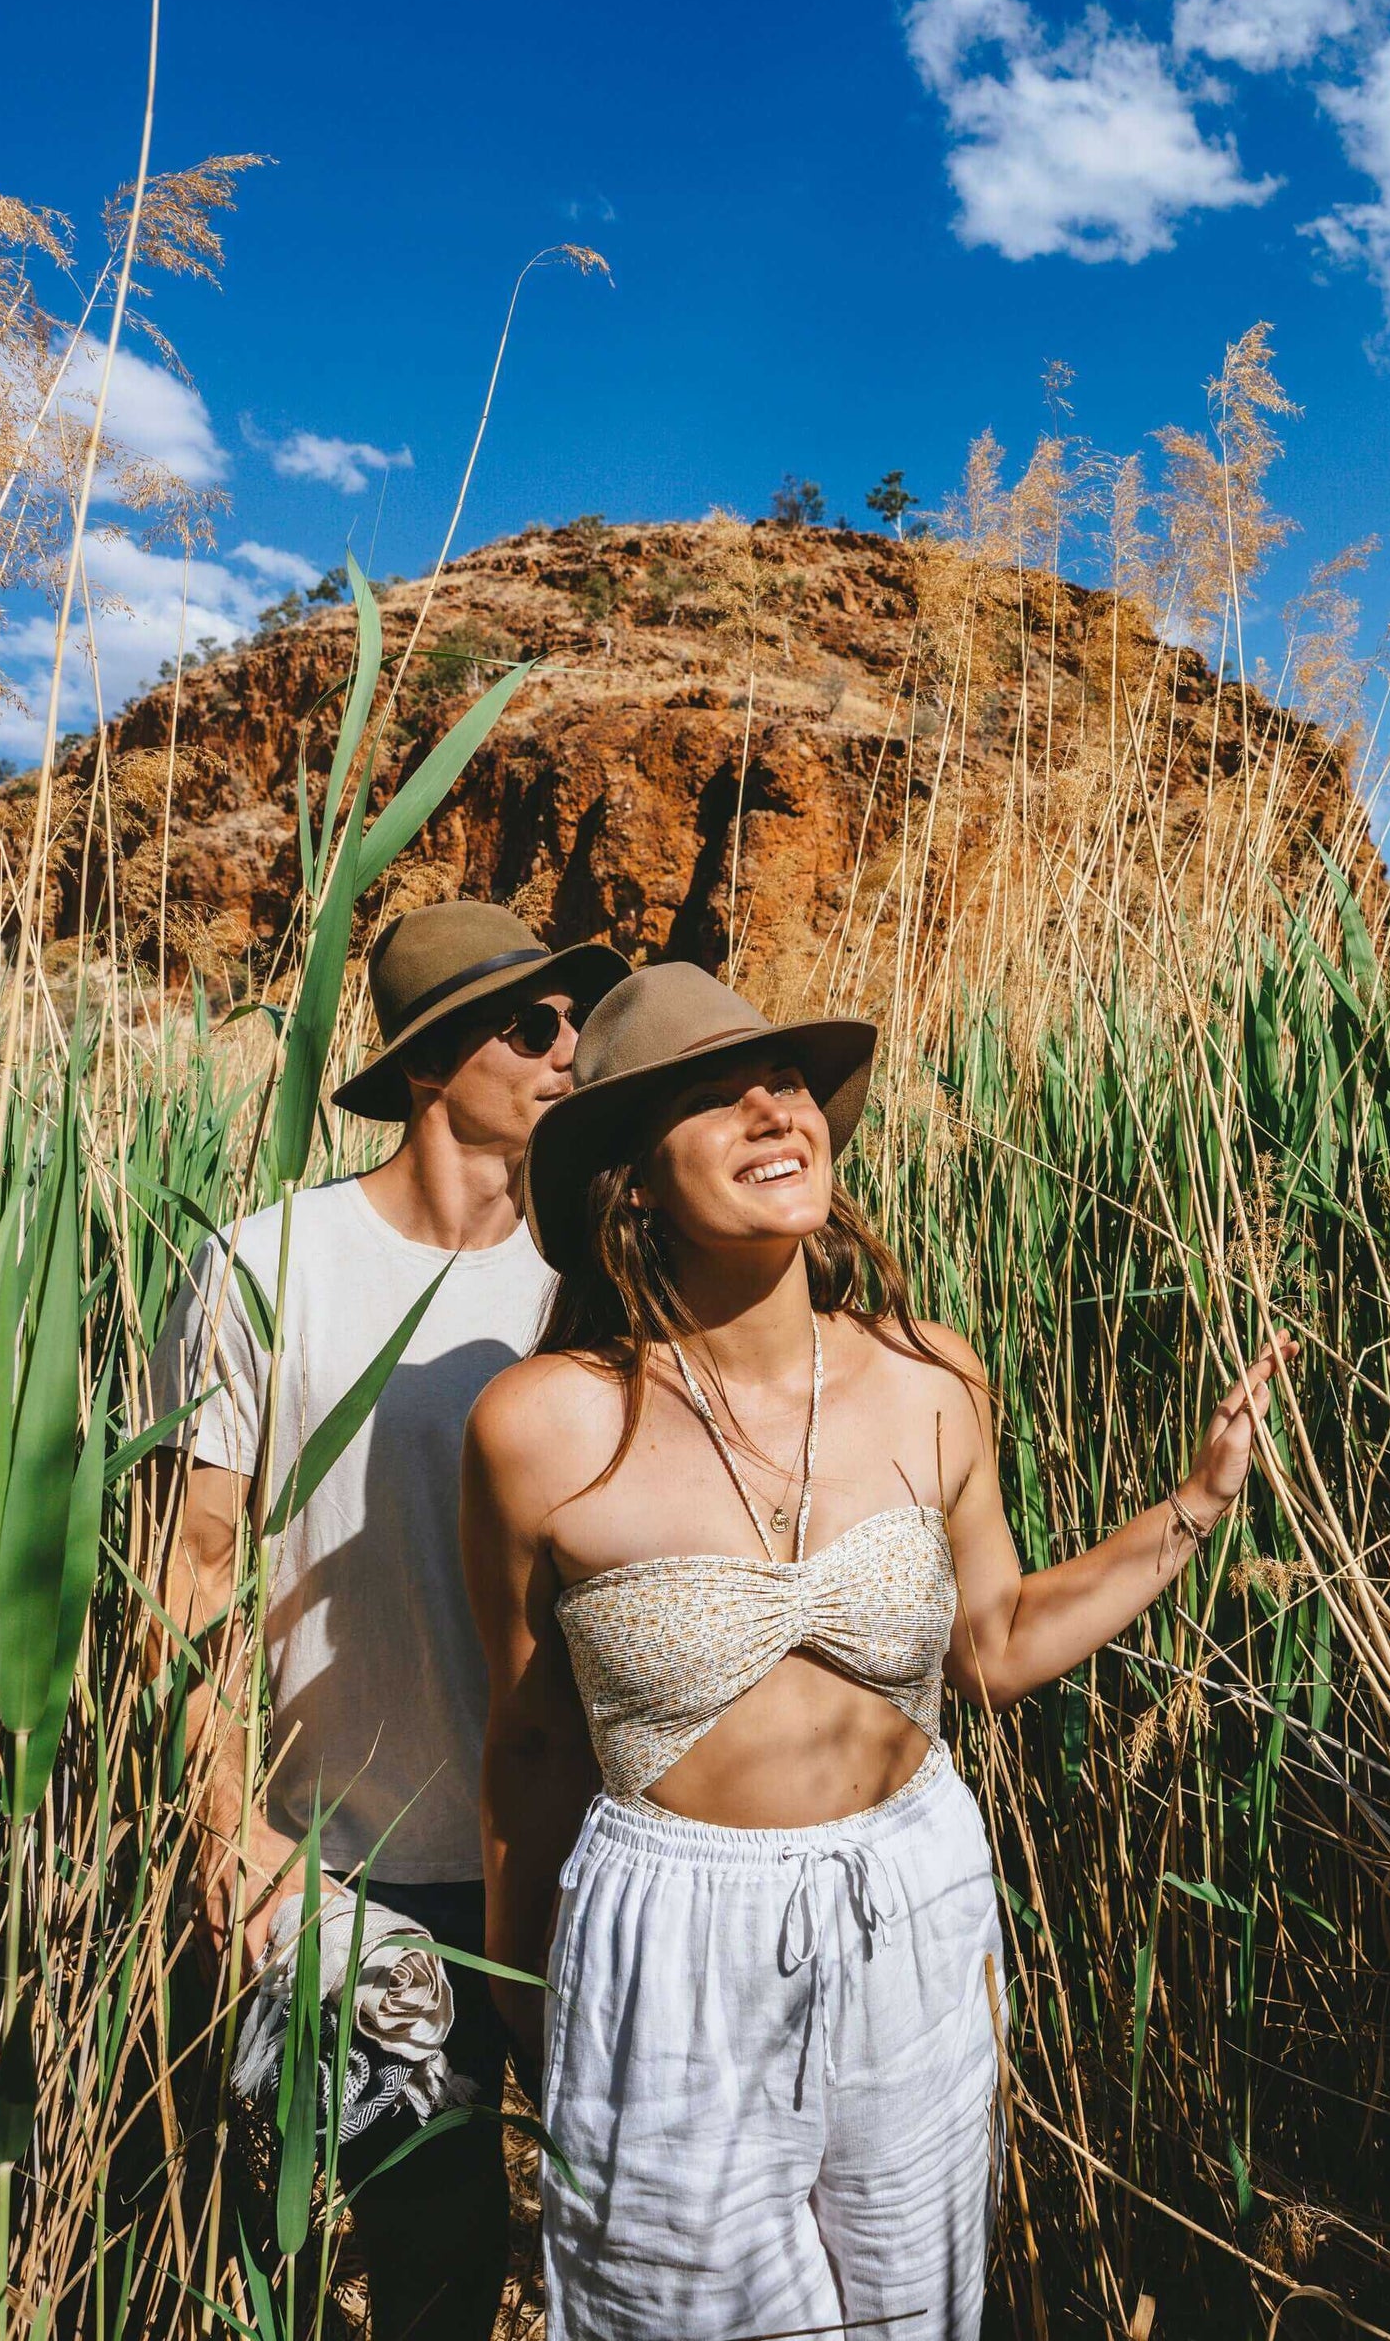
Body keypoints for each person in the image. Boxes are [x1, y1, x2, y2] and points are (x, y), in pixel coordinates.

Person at [460, 963, 1292, 2341]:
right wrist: (529, 2000)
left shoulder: (931, 1376)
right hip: (672, 1934)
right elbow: (532, 1738)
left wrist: (1193, 1508)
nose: (768, 1111)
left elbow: (996, 1642)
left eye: (781, 1082)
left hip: (911, 1898)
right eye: (707, 1099)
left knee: (914, 2305)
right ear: (632, 1182)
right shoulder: (540, 1425)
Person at [156, 899, 628, 2341]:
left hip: (574, 1852)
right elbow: (194, 1568)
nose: (568, 1051)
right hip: (350, 1871)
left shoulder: (593, 1278)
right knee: (425, 2251)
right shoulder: (263, 1264)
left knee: (616, 2231)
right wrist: (233, 1838)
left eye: (577, 1026)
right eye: (531, 1024)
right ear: (430, 1065)